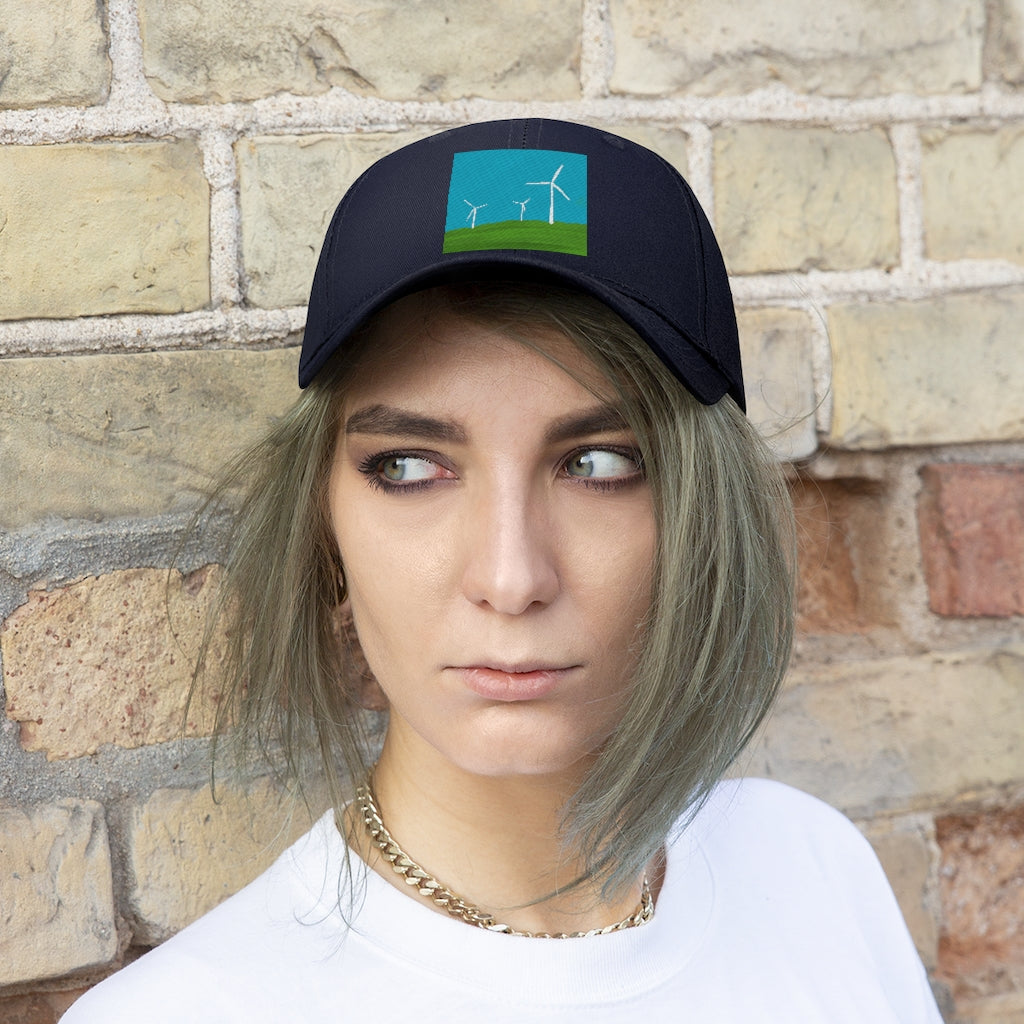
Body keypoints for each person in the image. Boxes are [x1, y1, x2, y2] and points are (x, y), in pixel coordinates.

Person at [64, 119, 943, 1021]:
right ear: (325, 531)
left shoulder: (811, 870)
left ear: (705, 518)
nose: (511, 578)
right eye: (409, 467)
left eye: (598, 464)